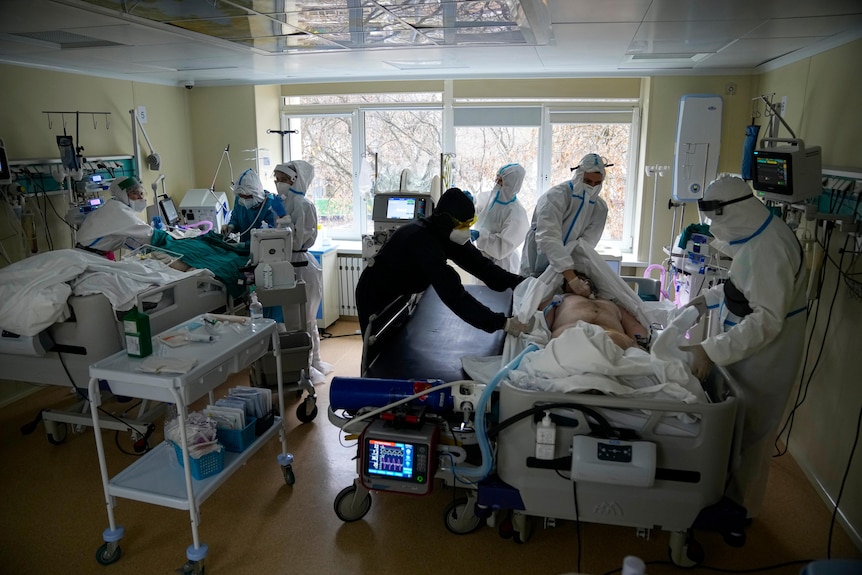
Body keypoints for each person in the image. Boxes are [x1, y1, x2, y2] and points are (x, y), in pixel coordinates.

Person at [681, 175, 807, 518]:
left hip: (766, 354)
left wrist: (711, 350)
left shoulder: (769, 248)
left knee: (751, 433)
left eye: (716, 219)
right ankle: (723, 493)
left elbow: (766, 320)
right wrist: (705, 300)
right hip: (744, 342)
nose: (713, 227)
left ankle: (740, 511)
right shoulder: (758, 235)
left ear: (733, 211)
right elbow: (741, 285)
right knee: (734, 426)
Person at [356, 187, 531, 337]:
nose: (467, 231)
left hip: (399, 291)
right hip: (375, 294)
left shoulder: (444, 232)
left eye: (471, 224)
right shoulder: (422, 241)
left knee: (397, 339)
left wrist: (519, 282)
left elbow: (480, 265)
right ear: (448, 220)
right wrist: (502, 323)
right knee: (382, 353)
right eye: (464, 225)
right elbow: (454, 295)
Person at [272, 160, 332, 382]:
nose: (278, 183)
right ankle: (304, 363)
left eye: (282, 179)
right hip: (288, 263)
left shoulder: (303, 204)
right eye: (276, 179)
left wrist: (284, 220)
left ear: (294, 180)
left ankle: (309, 365)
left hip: (300, 263)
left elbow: (299, 238)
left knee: (305, 320)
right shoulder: (283, 202)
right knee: (295, 320)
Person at [520, 153, 610, 294]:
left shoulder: (599, 208)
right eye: (587, 181)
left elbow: (585, 246)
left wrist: (573, 275)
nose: (592, 186)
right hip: (539, 259)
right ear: (578, 176)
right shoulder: (555, 197)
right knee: (533, 296)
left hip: (571, 268)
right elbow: (548, 237)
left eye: (597, 183)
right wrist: (571, 278)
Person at [541, 272, 648, 350]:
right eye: (576, 279)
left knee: (613, 340)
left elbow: (634, 327)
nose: (582, 282)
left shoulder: (613, 305)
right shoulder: (561, 299)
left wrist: (642, 347)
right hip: (570, 334)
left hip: (613, 339)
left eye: (584, 279)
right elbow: (541, 319)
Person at [471, 163, 530, 274]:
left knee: (496, 290)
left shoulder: (517, 213)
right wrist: (470, 201)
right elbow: (480, 209)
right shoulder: (492, 198)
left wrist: (480, 236)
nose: (496, 183)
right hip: (482, 258)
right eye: (497, 178)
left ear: (511, 184)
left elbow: (502, 247)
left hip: (502, 265)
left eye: (501, 180)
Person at [76, 176, 153, 258]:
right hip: (88, 255)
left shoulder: (117, 206)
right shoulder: (117, 210)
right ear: (123, 194)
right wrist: (163, 237)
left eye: (141, 193)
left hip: (100, 253)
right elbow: (146, 232)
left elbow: (126, 238)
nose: (141, 197)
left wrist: (146, 249)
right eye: (135, 193)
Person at [221, 168, 286, 242]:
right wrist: (231, 226)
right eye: (241, 196)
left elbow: (269, 236)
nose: (243, 200)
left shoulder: (271, 205)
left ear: (256, 194)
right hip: (243, 247)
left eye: (247, 197)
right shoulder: (239, 200)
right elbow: (235, 219)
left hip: (263, 248)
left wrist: (245, 246)